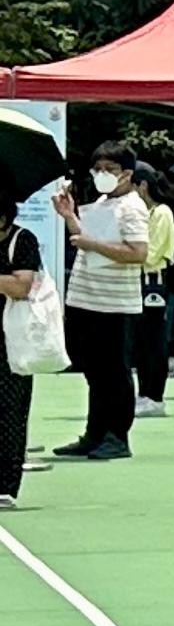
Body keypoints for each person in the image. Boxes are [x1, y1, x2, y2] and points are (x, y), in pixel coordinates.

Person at [50, 141, 150, 460]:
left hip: (115, 303)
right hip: (87, 298)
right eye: (98, 169)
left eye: (110, 169)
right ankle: (95, 433)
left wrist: (92, 244)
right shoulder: (103, 203)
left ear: (127, 173)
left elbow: (138, 252)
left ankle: (117, 436)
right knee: (95, 372)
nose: (102, 174)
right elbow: (86, 240)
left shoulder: (133, 207)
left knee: (115, 372)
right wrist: (69, 216)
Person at [131, 161, 174, 415]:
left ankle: (155, 395)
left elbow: (152, 253)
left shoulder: (162, 212)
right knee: (142, 340)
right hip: (140, 279)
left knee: (154, 339)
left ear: (142, 186)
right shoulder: (146, 213)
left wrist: (127, 254)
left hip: (154, 281)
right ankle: (144, 392)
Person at [0, 211, 42, 508]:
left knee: (10, 411)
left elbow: (21, 286)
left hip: (11, 339)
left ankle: (5, 485)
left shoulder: (22, 240)